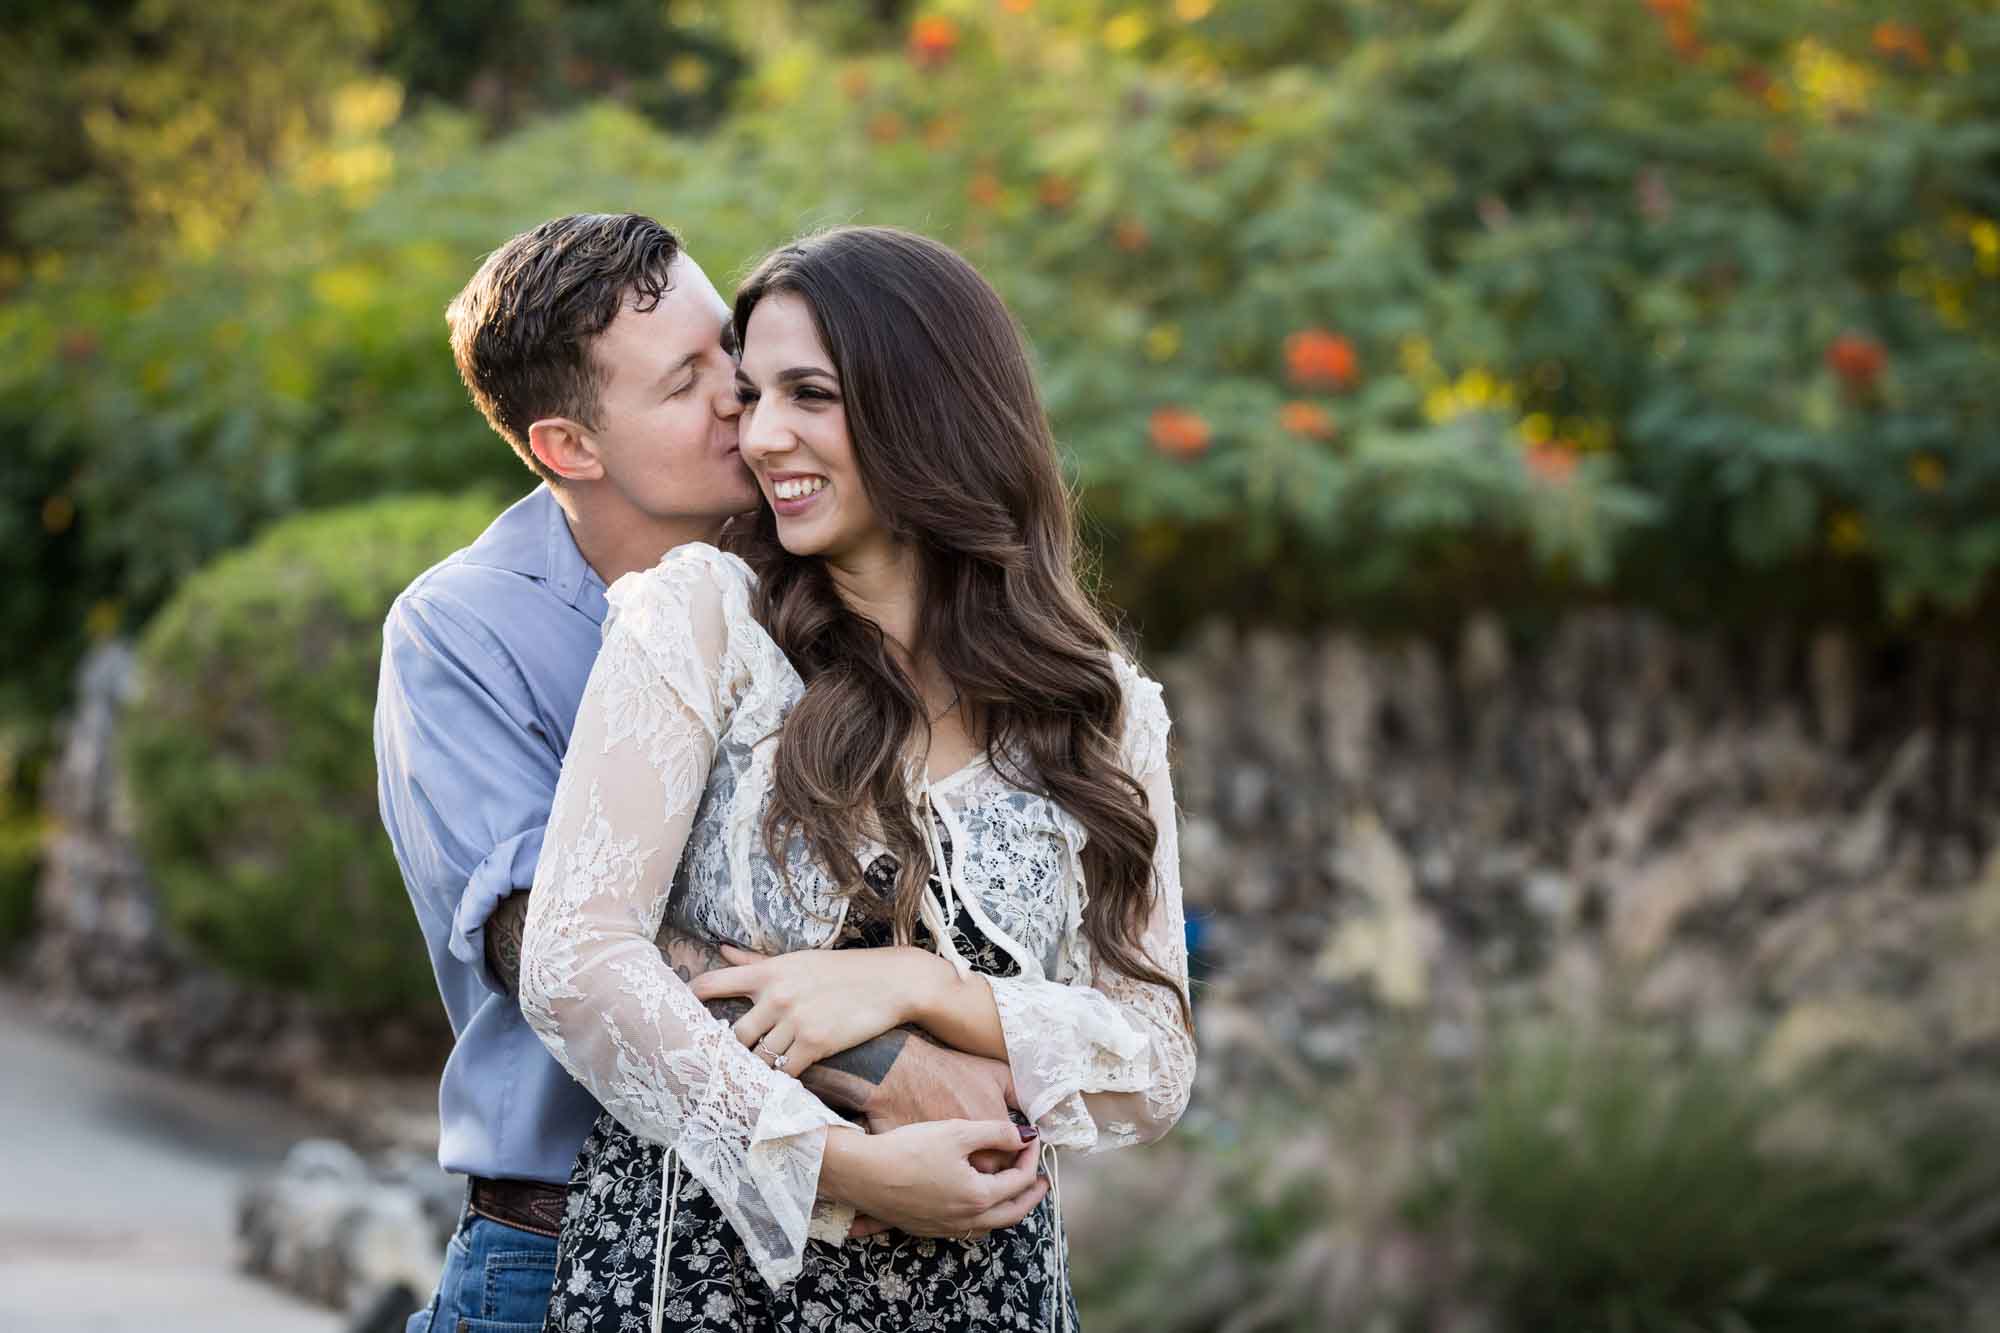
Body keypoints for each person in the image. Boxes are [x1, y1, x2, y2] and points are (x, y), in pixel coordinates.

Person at [518, 225, 1196, 1333]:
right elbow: (573, 959)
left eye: (810, 395)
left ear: (932, 407)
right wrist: (828, 1162)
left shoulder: (1097, 705)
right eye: (752, 394)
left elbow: (1155, 1062)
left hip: (993, 1300)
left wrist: (919, 986)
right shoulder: (703, 621)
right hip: (708, 1288)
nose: (761, 435)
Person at [374, 214, 1021, 1333]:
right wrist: (882, 1062)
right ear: (569, 447)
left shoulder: (815, 574)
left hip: (848, 1266)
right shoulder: (462, 634)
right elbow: (544, 938)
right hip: (561, 1247)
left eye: (727, 345)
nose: (742, 395)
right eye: (687, 381)